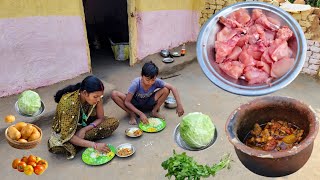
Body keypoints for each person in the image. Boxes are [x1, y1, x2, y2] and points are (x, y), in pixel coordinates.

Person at [48, 75, 119, 159]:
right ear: (85, 93)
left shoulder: (97, 97)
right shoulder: (68, 103)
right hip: (68, 131)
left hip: (86, 124)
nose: (98, 100)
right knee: (65, 146)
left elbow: (100, 118)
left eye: (100, 96)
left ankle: (82, 142)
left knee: (113, 122)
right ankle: (84, 142)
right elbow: (67, 135)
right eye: (95, 97)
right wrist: (95, 145)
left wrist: (84, 129)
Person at [111, 61, 184, 125]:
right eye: (147, 80)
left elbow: (173, 87)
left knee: (166, 89)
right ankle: (132, 113)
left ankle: (154, 111)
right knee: (114, 94)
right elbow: (127, 102)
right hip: (135, 103)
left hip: (149, 102)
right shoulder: (136, 83)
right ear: (142, 75)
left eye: (153, 80)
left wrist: (179, 105)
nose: (150, 83)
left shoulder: (156, 81)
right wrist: (141, 114)